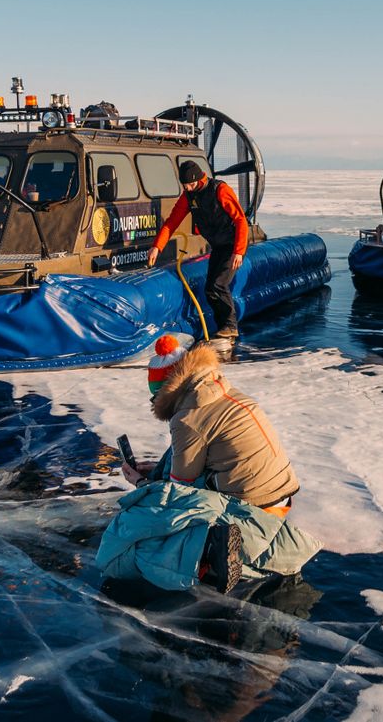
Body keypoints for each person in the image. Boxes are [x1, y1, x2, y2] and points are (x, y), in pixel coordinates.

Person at [97, 335, 317, 592]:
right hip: (280, 493)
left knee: (152, 523)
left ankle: (211, 552)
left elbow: (178, 490)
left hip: (255, 505)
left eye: (153, 398)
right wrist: (157, 470)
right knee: (172, 461)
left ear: (165, 392)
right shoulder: (222, 392)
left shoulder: (187, 418)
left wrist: (142, 483)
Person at [145, 161, 250, 338]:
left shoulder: (220, 190)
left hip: (232, 245)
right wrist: (157, 247)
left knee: (219, 284)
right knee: (210, 288)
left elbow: (241, 220)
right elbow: (171, 223)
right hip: (218, 245)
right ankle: (223, 329)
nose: (188, 188)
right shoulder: (188, 196)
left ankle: (230, 327)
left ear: (199, 179)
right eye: (184, 185)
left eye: (191, 184)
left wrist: (238, 251)